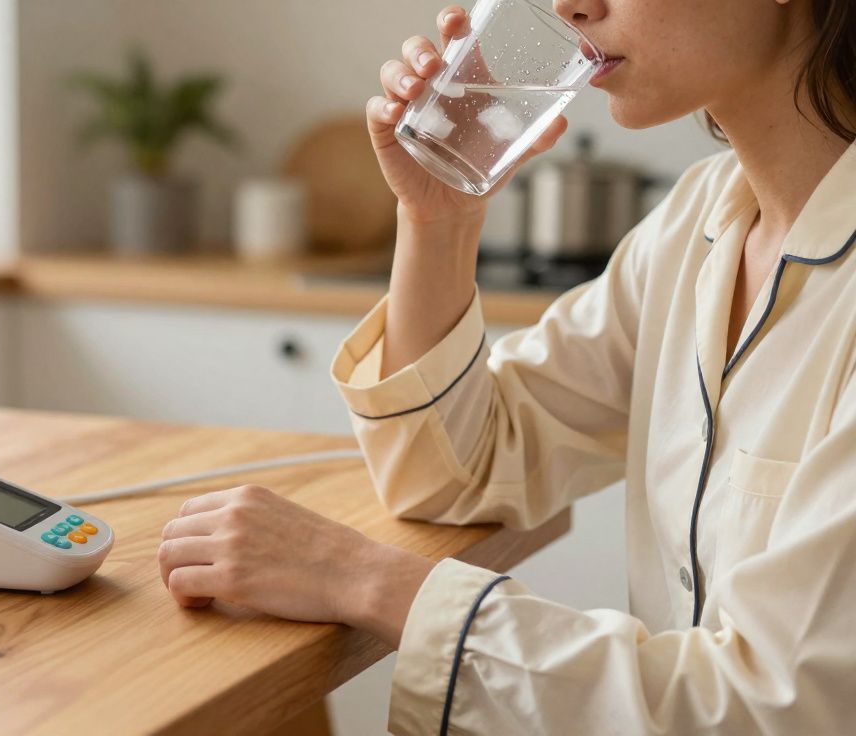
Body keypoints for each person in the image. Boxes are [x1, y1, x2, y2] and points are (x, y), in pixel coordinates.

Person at [156, 0, 856, 732]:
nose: (570, 6)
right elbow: (461, 472)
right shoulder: (696, 223)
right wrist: (438, 221)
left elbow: (774, 707)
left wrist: (362, 580)